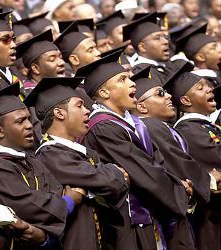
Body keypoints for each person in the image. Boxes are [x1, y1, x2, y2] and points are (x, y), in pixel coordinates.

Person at [76, 51, 190, 250]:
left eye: (130, 77)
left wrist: (176, 183)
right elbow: (142, 169)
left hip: (150, 214)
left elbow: (156, 161)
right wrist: (179, 189)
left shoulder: (133, 122)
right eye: (123, 79)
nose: (133, 83)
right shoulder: (103, 127)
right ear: (104, 93)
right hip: (126, 221)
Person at [0, 83, 83, 249]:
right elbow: (26, 206)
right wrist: (68, 202)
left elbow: (55, 191)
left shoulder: (32, 160)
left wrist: (44, 235)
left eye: (29, 119)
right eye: (20, 121)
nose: (30, 125)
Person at [24, 76, 129, 250]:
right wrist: (114, 172)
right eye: (79, 105)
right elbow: (109, 182)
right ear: (59, 113)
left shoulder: (80, 151)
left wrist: (105, 178)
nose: (87, 111)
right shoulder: (51, 154)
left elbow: (110, 186)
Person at [130, 62, 213, 249]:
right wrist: (208, 180)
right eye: (160, 93)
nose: (168, 96)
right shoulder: (149, 127)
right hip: (169, 216)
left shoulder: (159, 126)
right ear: (142, 107)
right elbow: (177, 163)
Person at [168, 72, 221, 250]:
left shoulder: (205, 126)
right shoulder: (188, 129)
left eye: (208, 85)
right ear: (186, 101)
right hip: (210, 219)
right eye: (201, 88)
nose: (209, 89)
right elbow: (216, 159)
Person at [123, 12, 170, 83]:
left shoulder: (167, 66)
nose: (165, 41)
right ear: (142, 47)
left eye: (165, 37)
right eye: (157, 38)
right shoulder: (142, 73)